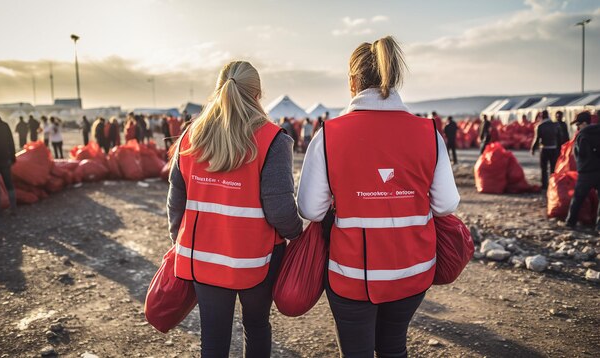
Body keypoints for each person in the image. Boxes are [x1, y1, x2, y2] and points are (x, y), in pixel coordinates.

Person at [298, 35, 459, 358]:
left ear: (353, 82)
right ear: (393, 77)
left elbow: (310, 209)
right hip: (413, 270)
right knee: (393, 346)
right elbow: (446, 204)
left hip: (352, 274)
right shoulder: (429, 133)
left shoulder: (329, 134)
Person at [167, 60, 302, 356]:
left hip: (203, 257)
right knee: (256, 326)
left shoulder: (191, 136)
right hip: (257, 260)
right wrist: (297, 235)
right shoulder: (272, 139)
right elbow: (279, 209)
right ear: (257, 95)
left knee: (213, 337)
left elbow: (176, 198)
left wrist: (179, 238)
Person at [565, 112, 600, 231]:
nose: (577, 127)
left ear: (585, 123)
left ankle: (571, 222)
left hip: (586, 173)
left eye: (578, 125)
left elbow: (582, 154)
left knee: (578, 198)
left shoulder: (582, 135)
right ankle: (599, 226)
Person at [531, 110, 561, 190]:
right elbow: (559, 137)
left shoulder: (540, 126)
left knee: (544, 168)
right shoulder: (555, 125)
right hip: (554, 148)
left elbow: (537, 139)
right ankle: (553, 184)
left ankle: (544, 185)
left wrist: (533, 148)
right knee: (553, 167)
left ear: (541, 116)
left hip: (544, 148)